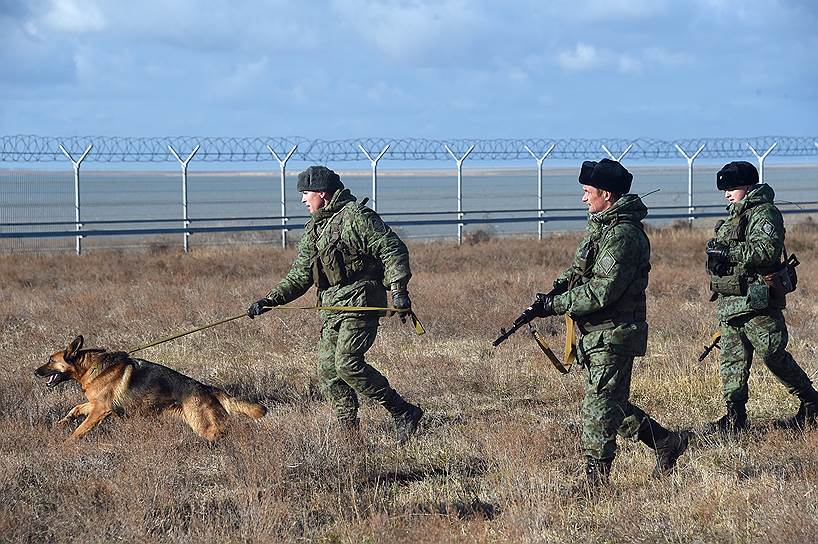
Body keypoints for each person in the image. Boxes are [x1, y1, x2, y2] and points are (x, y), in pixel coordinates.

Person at [528, 158, 689, 488]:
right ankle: (666, 443)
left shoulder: (624, 236)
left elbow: (603, 290)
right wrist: (554, 291)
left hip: (615, 331)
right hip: (596, 333)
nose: (583, 199)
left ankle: (595, 483)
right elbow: (579, 273)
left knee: (599, 407)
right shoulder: (601, 229)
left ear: (607, 194)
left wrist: (555, 305)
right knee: (611, 402)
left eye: (588, 192)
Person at [247, 165, 423, 443]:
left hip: (361, 303)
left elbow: (392, 248)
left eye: (306, 194)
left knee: (348, 364)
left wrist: (399, 289)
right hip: (332, 308)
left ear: (322, 193)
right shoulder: (315, 227)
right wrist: (270, 300)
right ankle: (349, 433)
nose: (303, 200)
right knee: (328, 372)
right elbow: (301, 274)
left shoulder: (356, 217)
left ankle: (403, 412)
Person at [705, 161, 817, 433]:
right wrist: (715, 260)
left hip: (757, 302)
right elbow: (724, 252)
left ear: (748, 186)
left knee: (772, 354)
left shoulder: (765, 214)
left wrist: (727, 254)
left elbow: (765, 252)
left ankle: (811, 402)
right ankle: (734, 416)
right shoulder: (733, 216)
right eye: (724, 190)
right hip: (730, 302)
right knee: (732, 361)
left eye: (732, 188)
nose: (727, 194)